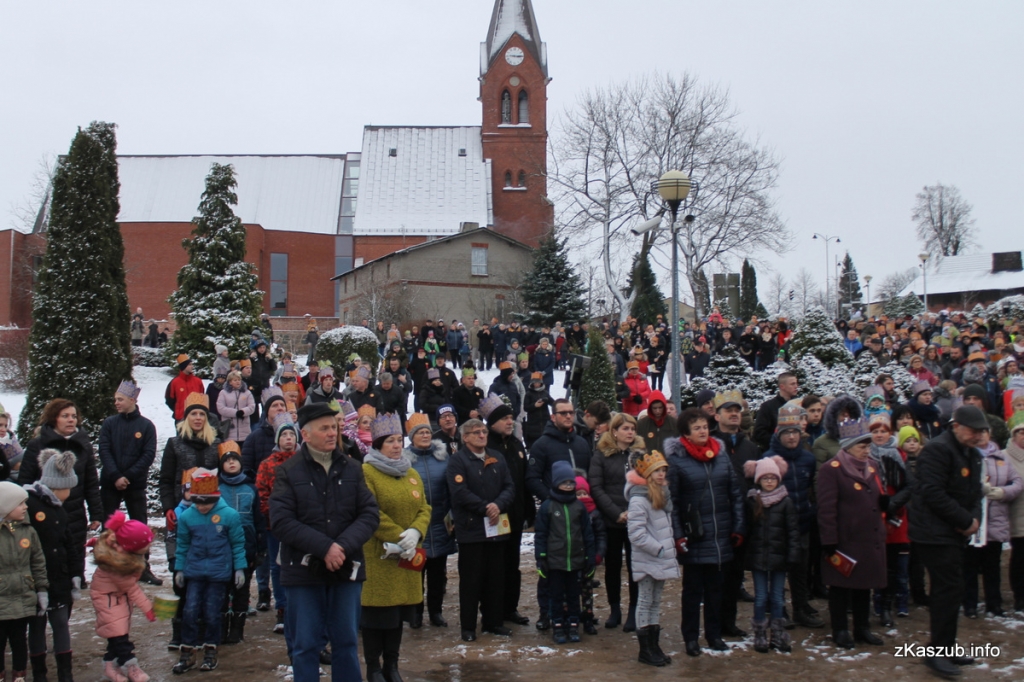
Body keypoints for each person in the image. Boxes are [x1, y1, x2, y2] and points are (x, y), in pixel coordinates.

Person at [269, 402, 380, 682]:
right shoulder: (289, 471)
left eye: (334, 427)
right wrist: (324, 547)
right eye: (325, 428)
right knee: (306, 645)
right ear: (305, 434)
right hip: (303, 571)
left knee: (346, 643)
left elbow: (369, 514)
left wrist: (341, 547)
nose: (332, 433)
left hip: (346, 567)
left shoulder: (353, 468)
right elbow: (281, 521)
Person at [910, 406, 987, 677]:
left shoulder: (973, 454)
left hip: (953, 532)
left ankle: (946, 645)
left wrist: (973, 520)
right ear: (956, 426)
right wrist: (965, 521)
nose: (977, 436)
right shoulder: (937, 450)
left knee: (953, 589)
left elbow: (976, 493)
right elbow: (932, 492)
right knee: (947, 589)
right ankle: (937, 652)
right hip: (932, 533)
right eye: (973, 431)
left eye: (981, 432)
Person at [664, 408, 745, 656]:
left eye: (705, 426)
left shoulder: (721, 456)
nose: (703, 431)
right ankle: (690, 637)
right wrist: (678, 534)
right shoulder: (677, 460)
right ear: (686, 433)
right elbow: (672, 501)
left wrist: (738, 526)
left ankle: (714, 634)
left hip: (721, 533)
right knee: (692, 591)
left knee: (716, 590)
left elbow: (735, 493)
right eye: (697, 427)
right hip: (695, 535)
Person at [359, 413, 430, 682]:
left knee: (398, 615)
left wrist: (416, 531)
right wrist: (402, 536)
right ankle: (374, 667)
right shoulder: (367, 472)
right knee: (377, 616)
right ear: (378, 445)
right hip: (379, 555)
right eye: (390, 441)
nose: (397, 445)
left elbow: (424, 507)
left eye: (399, 440)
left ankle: (392, 665)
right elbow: (370, 511)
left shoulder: (411, 473)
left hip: (407, 557)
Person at [817, 416, 887, 650]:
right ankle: (840, 629)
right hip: (845, 539)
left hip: (869, 537)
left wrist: (884, 503)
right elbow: (826, 508)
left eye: (868, 446)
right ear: (848, 447)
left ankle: (862, 627)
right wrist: (829, 539)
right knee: (840, 587)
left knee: (864, 584)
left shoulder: (872, 466)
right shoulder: (831, 470)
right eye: (862, 446)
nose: (867, 450)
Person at [159, 393, 221, 647]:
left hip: (208, 515)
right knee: (180, 574)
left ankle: (205, 631)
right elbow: (165, 479)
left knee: (205, 575)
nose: (197, 418)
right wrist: (167, 508)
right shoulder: (174, 444)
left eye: (201, 414)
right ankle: (179, 631)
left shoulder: (215, 444)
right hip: (180, 512)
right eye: (193, 414)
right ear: (186, 418)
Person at [172, 469, 247, 674]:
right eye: (198, 502)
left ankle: (211, 650)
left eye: (206, 502)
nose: (202, 507)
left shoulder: (229, 515)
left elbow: (237, 544)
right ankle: (187, 651)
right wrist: (179, 569)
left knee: (212, 613)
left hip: (218, 573)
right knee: (190, 611)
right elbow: (183, 544)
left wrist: (239, 569)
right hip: (194, 572)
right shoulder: (188, 517)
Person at [447, 419, 515, 642]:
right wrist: (485, 508)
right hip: (471, 528)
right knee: (471, 580)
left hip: (496, 526)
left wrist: (498, 505)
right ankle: (468, 626)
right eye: (476, 432)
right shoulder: (458, 461)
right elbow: (460, 492)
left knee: (495, 577)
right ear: (465, 437)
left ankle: (493, 621)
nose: (482, 435)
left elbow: (509, 486)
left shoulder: (497, 457)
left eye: (484, 431)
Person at [20, 398, 102, 579]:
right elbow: (25, 481)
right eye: (65, 416)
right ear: (54, 419)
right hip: (44, 512)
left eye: (74, 416)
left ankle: (75, 582)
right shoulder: (37, 445)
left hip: (75, 512)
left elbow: (91, 482)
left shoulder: (83, 445)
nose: (71, 420)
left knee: (74, 553)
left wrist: (96, 513)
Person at [24, 450, 83, 682]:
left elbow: (69, 544)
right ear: (59, 485)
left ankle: (65, 674)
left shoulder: (59, 509)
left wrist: (76, 573)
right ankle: (40, 674)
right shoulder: (30, 505)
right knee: (37, 627)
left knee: (61, 625)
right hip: (35, 581)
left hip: (59, 579)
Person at [764, 405, 824, 629]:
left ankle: (801, 607)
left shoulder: (807, 458)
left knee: (800, 569)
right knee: (778, 570)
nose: (791, 437)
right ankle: (779, 610)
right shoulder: (768, 459)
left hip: (802, 522)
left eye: (795, 432)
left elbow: (810, 488)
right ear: (779, 434)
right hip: (778, 526)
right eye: (787, 432)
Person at [98, 380, 161, 585]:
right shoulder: (109, 424)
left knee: (140, 525)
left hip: (136, 484)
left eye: (120, 399)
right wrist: (116, 476)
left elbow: (148, 455)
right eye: (115, 399)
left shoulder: (146, 426)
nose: (116, 403)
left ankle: (142, 568)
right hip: (110, 483)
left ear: (132, 400)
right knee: (109, 527)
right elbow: (104, 451)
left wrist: (129, 476)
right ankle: (107, 567)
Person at [711, 390, 762, 635]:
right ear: (717, 415)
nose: (734, 414)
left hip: (742, 521)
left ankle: (729, 623)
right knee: (715, 578)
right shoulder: (709, 445)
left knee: (735, 575)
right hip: (716, 519)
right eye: (728, 410)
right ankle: (713, 625)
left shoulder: (750, 448)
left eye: (737, 411)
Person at [478, 395, 532, 626]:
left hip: (515, 515)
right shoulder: (486, 447)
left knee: (512, 564)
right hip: (494, 516)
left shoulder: (517, 445)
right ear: (492, 423)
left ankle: (510, 608)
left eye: (511, 418)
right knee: (494, 566)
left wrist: (529, 510)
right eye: (505, 418)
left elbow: (524, 480)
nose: (510, 422)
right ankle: (493, 611)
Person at [589, 413, 645, 632]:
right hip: (611, 520)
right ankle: (615, 609)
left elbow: (648, 483)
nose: (630, 432)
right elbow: (596, 487)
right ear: (614, 431)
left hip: (636, 519)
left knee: (635, 567)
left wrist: (635, 511)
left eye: (632, 428)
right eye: (625, 428)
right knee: (612, 567)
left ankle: (634, 610)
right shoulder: (601, 455)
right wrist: (616, 513)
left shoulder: (640, 454)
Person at [88, 510, 155, 682]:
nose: (149, 547)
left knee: (115, 635)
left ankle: (110, 668)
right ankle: (131, 666)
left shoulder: (124, 553)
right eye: (145, 545)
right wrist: (148, 608)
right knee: (120, 637)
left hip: (116, 598)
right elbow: (132, 589)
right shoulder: (117, 564)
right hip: (108, 600)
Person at [625, 450, 678, 667]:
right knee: (645, 600)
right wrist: (658, 549)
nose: (661, 474)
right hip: (649, 558)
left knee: (655, 601)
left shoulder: (661, 495)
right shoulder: (639, 500)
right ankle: (645, 649)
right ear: (647, 473)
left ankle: (654, 646)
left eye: (663, 470)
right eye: (657, 471)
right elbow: (636, 534)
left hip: (660, 558)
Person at [535, 461, 596, 645]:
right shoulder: (548, 507)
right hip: (555, 561)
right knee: (556, 595)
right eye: (564, 482)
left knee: (573, 595)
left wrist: (589, 557)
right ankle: (558, 625)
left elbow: (587, 533)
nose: (569, 486)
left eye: (571, 482)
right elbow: (541, 534)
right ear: (556, 483)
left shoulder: (579, 507)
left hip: (575, 560)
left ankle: (573, 624)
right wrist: (541, 557)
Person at [742, 456, 798, 654]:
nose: (769, 481)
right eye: (765, 478)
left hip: (779, 558)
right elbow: (748, 530)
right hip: (758, 557)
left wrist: (793, 554)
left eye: (772, 478)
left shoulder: (786, 502)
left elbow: (792, 531)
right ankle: (760, 632)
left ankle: (777, 632)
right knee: (760, 597)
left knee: (777, 597)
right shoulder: (752, 501)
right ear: (758, 480)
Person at [963, 429, 1022, 618]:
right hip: (973, 519)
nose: (981, 436)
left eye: (984, 432)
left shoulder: (1001, 457)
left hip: (996, 519)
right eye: (977, 432)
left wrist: (1003, 492)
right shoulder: (966, 455)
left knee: (993, 566)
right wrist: (977, 489)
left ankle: (994, 604)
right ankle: (970, 604)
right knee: (970, 565)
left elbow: (1017, 482)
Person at [405, 414, 455, 629]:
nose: (425, 435)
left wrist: (452, 516)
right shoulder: (405, 461)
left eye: (427, 432)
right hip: (416, 526)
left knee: (437, 573)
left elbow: (451, 487)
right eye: (420, 433)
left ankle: (436, 612)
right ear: (412, 437)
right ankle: (415, 613)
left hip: (440, 522)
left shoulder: (443, 458)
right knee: (415, 572)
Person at [255, 414, 299, 642]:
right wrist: (272, 514)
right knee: (277, 565)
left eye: (292, 434)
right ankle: (282, 607)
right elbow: (262, 492)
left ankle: (298, 607)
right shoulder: (267, 464)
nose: (288, 438)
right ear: (277, 439)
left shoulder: (304, 461)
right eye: (284, 435)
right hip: (275, 525)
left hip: (301, 525)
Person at [217, 442, 262, 645]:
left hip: (246, 547)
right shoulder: (216, 488)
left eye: (234, 459)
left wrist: (261, 548)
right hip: (221, 547)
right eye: (227, 460)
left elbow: (259, 519)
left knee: (241, 589)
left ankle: (237, 629)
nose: (231, 463)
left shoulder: (251, 489)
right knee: (222, 590)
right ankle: (221, 628)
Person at [753, 372, 801, 451]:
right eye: (792, 384)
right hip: (775, 451)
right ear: (782, 386)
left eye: (796, 383)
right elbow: (759, 433)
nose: (796, 386)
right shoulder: (768, 407)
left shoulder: (799, 405)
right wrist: (780, 441)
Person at [217, 370, 256, 442]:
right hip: (229, 430)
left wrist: (243, 412)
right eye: (235, 380)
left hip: (244, 431)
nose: (238, 382)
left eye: (239, 380)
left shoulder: (247, 392)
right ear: (230, 382)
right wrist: (235, 413)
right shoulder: (223, 393)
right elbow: (221, 408)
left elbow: (252, 406)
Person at [167, 354, 205, 422]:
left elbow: (202, 397)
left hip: (196, 418)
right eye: (189, 365)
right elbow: (169, 400)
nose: (192, 366)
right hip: (181, 417)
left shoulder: (198, 381)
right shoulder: (174, 382)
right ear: (184, 366)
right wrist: (178, 410)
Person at [636, 392, 674, 456]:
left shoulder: (673, 423)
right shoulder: (641, 424)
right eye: (654, 408)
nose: (658, 411)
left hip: (669, 459)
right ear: (650, 408)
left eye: (660, 408)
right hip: (647, 459)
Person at [523, 372, 554, 449]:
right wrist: (534, 405)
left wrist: (547, 400)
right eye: (535, 382)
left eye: (538, 382)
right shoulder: (528, 394)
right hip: (533, 422)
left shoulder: (545, 393)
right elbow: (526, 407)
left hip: (545, 420)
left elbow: (553, 403)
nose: (536, 384)